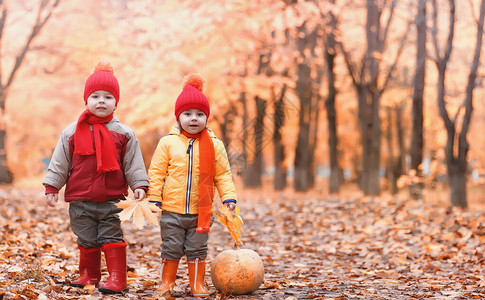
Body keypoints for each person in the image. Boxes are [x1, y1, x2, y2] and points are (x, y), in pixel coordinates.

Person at [42, 60, 149, 294]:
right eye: (96, 96)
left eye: (108, 97)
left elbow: (133, 163)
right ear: (86, 100)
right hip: (80, 201)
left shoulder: (124, 133)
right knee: (86, 238)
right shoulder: (72, 132)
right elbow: (60, 162)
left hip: (112, 200)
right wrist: (52, 187)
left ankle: (117, 278)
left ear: (116, 103)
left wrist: (139, 184)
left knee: (111, 236)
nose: (101, 101)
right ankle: (88, 275)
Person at [147, 73, 238, 297]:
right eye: (187, 114)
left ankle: (197, 284)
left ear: (207, 117)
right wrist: (154, 197)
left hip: (201, 211)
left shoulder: (215, 145)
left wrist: (229, 197)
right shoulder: (167, 143)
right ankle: (166, 283)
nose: (194, 119)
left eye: (200, 114)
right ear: (178, 117)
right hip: (172, 211)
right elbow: (157, 172)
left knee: (197, 248)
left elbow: (223, 174)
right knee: (172, 247)